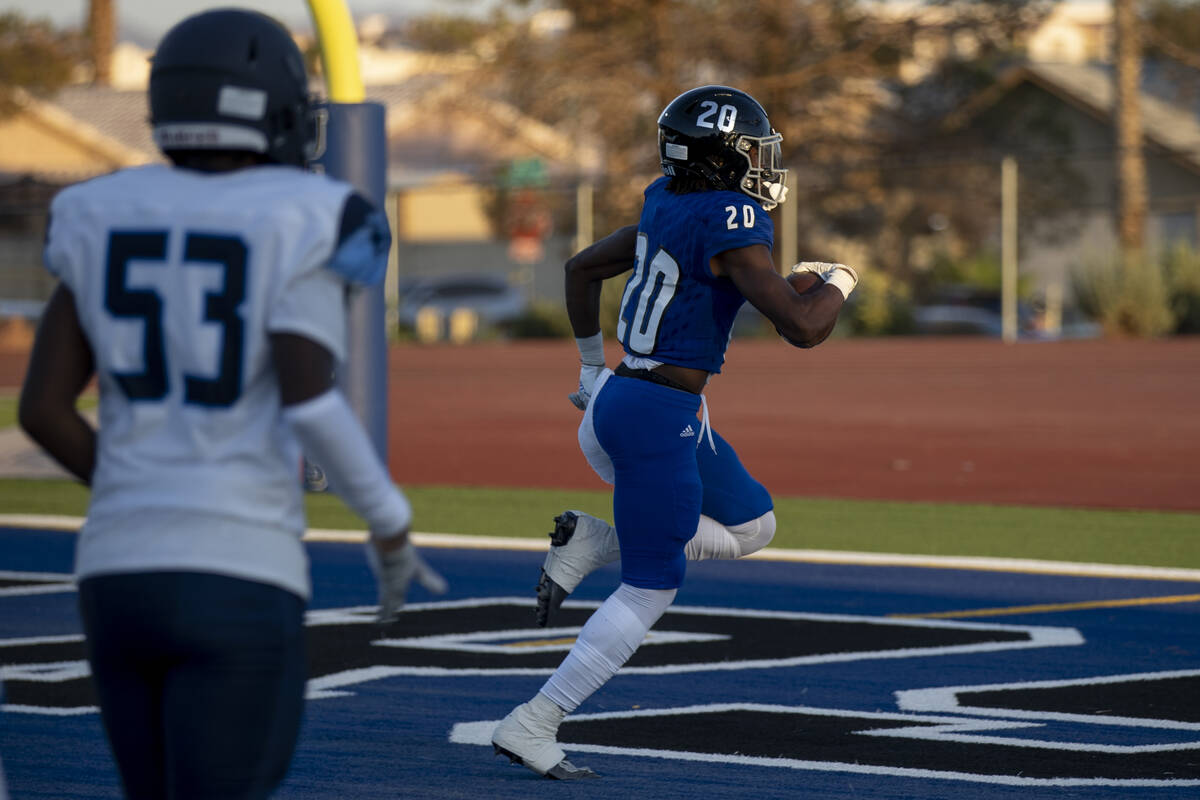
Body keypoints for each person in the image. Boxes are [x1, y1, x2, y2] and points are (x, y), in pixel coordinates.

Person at [17, 10, 444, 799]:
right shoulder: (314, 211)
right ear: (275, 105)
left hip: (116, 574)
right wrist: (389, 527)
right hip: (238, 571)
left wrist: (134, 492)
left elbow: (42, 409)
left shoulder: (96, 209)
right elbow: (309, 401)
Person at [491, 85, 857, 779]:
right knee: (653, 584)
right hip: (654, 417)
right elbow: (805, 329)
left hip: (632, 400)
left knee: (754, 526)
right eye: (748, 149)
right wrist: (842, 279)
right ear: (721, 157)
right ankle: (532, 722)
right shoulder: (731, 214)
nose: (758, 162)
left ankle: (597, 538)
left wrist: (591, 367)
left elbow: (581, 269)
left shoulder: (667, 197)